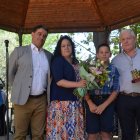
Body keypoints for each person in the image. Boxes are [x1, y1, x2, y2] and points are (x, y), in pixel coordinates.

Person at [9, 25, 52, 140]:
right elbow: (10, 74)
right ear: (32, 34)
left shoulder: (49, 56)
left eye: (44, 36)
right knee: (20, 135)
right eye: (39, 34)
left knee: (38, 135)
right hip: (22, 101)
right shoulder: (19, 51)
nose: (41, 37)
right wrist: (19, 89)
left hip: (41, 102)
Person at [46, 35, 87, 139]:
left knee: (74, 134)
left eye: (69, 45)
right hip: (61, 105)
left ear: (72, 47)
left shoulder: (76, 63)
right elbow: (59, 81)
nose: (66, 47)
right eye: (63, 46)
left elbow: (82, 81)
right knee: (61, 134)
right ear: (59, 49)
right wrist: (78, 84)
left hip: (75, 104)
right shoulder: (58, 61)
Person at [85, 43, 120, 140]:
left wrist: (104, 105)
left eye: (106, 52)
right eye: (101, 52)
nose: (104, 54)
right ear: (97, 54)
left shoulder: (113, 70)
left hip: (107, 102)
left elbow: (116, 90)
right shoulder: (90, 69)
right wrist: (90, 103)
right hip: (92, 103)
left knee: (106, 133)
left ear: (110, 54)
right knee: (92, 133)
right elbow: (83, 88)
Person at [112, 29, 140, 140]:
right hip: (124, 99)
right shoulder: (115, 60)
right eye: (123, 39)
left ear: (135, 39)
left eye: (128, 38)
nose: (126, 41)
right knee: (127, 134)